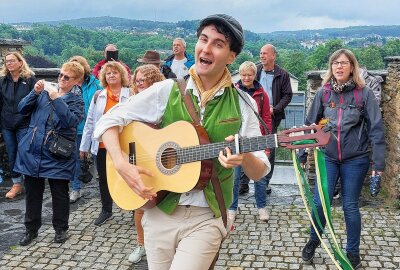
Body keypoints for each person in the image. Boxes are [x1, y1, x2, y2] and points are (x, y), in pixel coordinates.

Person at [93, 14, 270, 270]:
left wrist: (245, 157)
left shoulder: (244, 104)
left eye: (218, 44)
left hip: (208, 216)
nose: (206, 49)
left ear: (232, 56)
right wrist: (121, 164)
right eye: (203, 39)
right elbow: (108, 121)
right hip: (160, 211)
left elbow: (260, 170)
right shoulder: (167, 91)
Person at [301, 49, 385, 269]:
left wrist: (379, 164)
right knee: (321, 202)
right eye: (335, 63)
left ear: (352, 67)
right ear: (331, 67)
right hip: (328, 157)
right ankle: (314, 240)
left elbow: (376, 129)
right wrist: (302, 152)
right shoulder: (323, 93)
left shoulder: (363, 94)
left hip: (355, 159)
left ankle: (352, 252)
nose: (339, 66)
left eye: (344, 63)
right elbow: (310, 124)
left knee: (350, 206)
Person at [14, 62, 84, 245]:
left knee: (59, 193)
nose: (61, 78)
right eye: (60, 74)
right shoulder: (43, 93)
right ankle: (31, 230)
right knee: (32, 193)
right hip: (33, 150)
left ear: (76, 81)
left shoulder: (77, 100)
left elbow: (70, 121)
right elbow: (21, 108)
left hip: (57, 153)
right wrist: (34, 93)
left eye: (66, 77)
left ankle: (60, 230)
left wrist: (56, 99)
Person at [80, 61, 131, 226]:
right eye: (108, 73)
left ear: (121, 75)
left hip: (125, 144)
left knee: (128, 175)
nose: (111, 76)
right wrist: (84, 147)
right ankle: (106, 210)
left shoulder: (130, 94)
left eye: (114, 73)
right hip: (102, 145)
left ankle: (133, 208)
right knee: (104, 179)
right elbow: (90, 123)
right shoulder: (98, 95)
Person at [239, 44, 293, 195]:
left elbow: (288, 95)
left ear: (273, 56)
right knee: (246, 146)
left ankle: (265, 182)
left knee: (269, 147)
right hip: (249, 116)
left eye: (265, 53)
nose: (261, 56)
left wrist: (274, 109)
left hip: (271, 117)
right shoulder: (254, 70)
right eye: (260, 53)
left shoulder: (283, 74)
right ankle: (243, 183)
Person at [128, 64, 165, 264]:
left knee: (161, 202)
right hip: (138, 155)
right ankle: (141, 244)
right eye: (137, 80)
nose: (139, 84)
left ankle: (161, 246)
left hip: (159, 156)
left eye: (143, 80)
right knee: (140, 206)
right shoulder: (132, 102)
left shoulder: (164, 101)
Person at [228, 61, 272, 222]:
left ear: (255, 75)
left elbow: (266, 118)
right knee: (234, 177)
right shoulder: (233, 92)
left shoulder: (261, 94)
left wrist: (265, 143)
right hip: (236, 138)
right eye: (244, 74)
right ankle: (232, 208)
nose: (246, 78)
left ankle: (261, 207)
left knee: (259, 177)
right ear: (239, 75)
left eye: (250, 75)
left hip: (255, 138)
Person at [0, 52, 37, 200]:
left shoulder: (29, 79)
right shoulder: (2, 81)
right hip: (7, 123)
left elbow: (36, 100)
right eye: (7, 61)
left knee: (26, 152)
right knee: (12, 152)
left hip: (25, 123)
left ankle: (30, 182)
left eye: (12, 61)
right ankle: (16, 184)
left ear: (20, 62)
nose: (9, 64)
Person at [68, 56, 103, 203]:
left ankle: (104, 190)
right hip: (76, 128)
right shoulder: (69, 85)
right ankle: (76, 188)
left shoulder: (96, 84)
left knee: (99, 160)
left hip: (95, 128)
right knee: (77, 160)